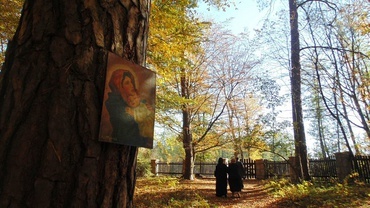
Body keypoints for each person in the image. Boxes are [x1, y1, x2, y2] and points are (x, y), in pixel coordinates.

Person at [105, 69, 152, 147]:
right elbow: (127, 121)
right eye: (127, 83)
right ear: (119, 86)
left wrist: (147, 109)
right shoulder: (114, 103)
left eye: (131, 82)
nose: (132, 86)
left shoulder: (133, 99)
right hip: (122, 140)